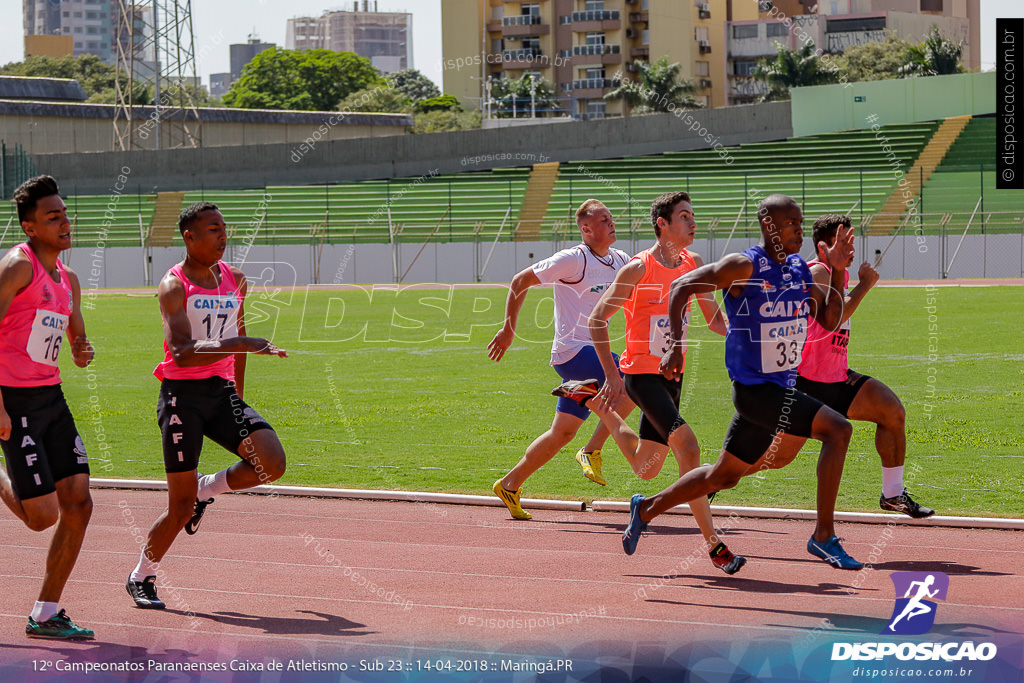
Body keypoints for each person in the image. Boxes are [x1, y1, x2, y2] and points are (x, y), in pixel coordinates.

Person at [622, 193, 865, 570]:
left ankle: (647, 508)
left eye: (801, 225)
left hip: (781, 389)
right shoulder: (743, 265)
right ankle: (823, 536)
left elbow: (830, 320)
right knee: (838, 429)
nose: (799, 232)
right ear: (769, 227)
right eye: (790, 225)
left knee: (724, 476)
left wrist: (834, 270)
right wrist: (673, 346)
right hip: (755, 391)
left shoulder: (800, 269)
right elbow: (680, 287)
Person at [126, 202, 288, 609]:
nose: (222, 236)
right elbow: (180, 352)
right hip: (181, 397)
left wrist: (238, 392)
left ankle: (206, 489)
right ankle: (141, 575)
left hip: (221, 393)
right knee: (178, 509)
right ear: (189, 236)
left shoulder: (235, 279)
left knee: (270, 462)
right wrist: (240, 344)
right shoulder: (174, 285)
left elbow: (240, 339)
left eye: (224, 228)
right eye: (213, 229)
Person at [575, 191, 744, 574]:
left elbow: (716, 320)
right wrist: (614, 378)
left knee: (647, 468)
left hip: (672, 375)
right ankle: (715, 545)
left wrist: (751, 336)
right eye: (684, 216)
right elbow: (597, 320)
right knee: (689, 447)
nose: (693, 223)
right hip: (640, 374)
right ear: (662, 225)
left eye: (693, 215)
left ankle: (599, 409)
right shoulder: (638, 268)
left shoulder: (694, 264)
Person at [488, 199, 635, 519]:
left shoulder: (620, 259)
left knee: (562, 433)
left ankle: (509, 484)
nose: (612, 223)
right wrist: (508, 330)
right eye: (605, 220)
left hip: (592, 351)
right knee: (631, 383)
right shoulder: (573, 259)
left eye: (612, 218)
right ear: (586, 229)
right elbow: (519, 281)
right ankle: (592, 450)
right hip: (572, 351)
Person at [0, 175, 95, 639]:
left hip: (52, 399)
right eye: (52, 217)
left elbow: (75, 330)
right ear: (30, 227)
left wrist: (81, 347)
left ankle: (45, 613)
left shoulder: (67, 277)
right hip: (12, 400)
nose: (64, 222)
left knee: (79, 502)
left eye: (64, 214)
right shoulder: (17, 267)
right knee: (42, 518)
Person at [797, 214, 934, 518]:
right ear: (824, 247)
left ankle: (893, 494)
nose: (851, 246)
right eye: (844, 241)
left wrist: (854, 283)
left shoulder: (837, 274)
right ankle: (711, 478)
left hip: (837, 379)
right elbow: (832, 322)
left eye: (853, 240)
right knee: (769, 460)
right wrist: (865, 286)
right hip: (806, 384)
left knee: (891, 410)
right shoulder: (817, 272)